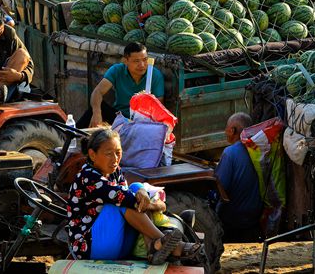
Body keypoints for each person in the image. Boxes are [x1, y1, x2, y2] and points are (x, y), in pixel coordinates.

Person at [68, 127, 199, 262]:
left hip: (119, 244)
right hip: (92, 249)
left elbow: (133, 196)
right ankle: (170, 245)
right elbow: (128, 199)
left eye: (118, 152)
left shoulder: (114, 171)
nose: (115, 159)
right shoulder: (88, 177)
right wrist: (157, 205)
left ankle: (151, 246)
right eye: (108, 154)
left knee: (135, 187)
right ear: (92, 154)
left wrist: (142, 191)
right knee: (119, 201)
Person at [83, 42, 164, 128]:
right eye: (136, 61)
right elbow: (97, 92)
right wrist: (97, 113)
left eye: (145, 60)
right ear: (125, 61)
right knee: (97, 109)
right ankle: (73, 137)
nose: (142, 65)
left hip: (142, 123)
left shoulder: (155, 75)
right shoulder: (117, 70)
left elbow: (158, 107)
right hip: (119, 117)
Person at [214, 113, 262, 240]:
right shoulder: (258, 150)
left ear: (233, 130)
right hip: (254, 217)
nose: (225, 132)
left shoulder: (229, 153)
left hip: (234, 219)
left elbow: (220, 187)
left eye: (227, 128)